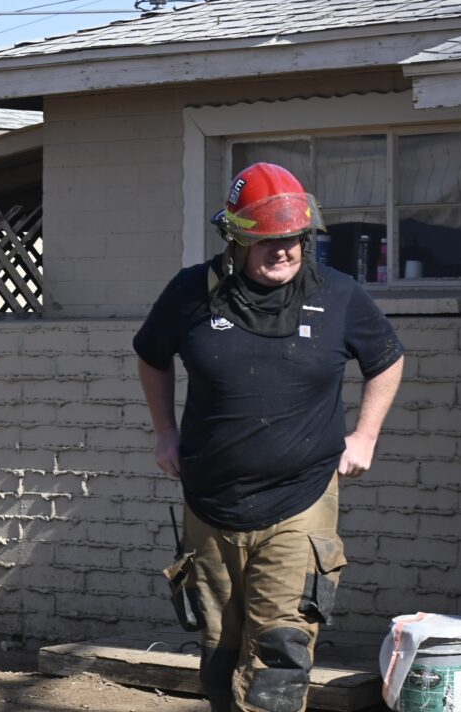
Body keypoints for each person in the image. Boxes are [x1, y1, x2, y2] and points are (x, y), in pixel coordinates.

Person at [134, 162, 404, 712]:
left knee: (280, 651)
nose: (283, 251)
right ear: (236, 241)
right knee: (219, 652)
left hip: (300, 500)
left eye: (293, 239)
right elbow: (151, 356)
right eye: (267, 240)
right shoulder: (191, 292)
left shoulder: (338, 294)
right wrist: (165, 433)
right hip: (211, 503)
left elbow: (387, 358)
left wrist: (366, 435)